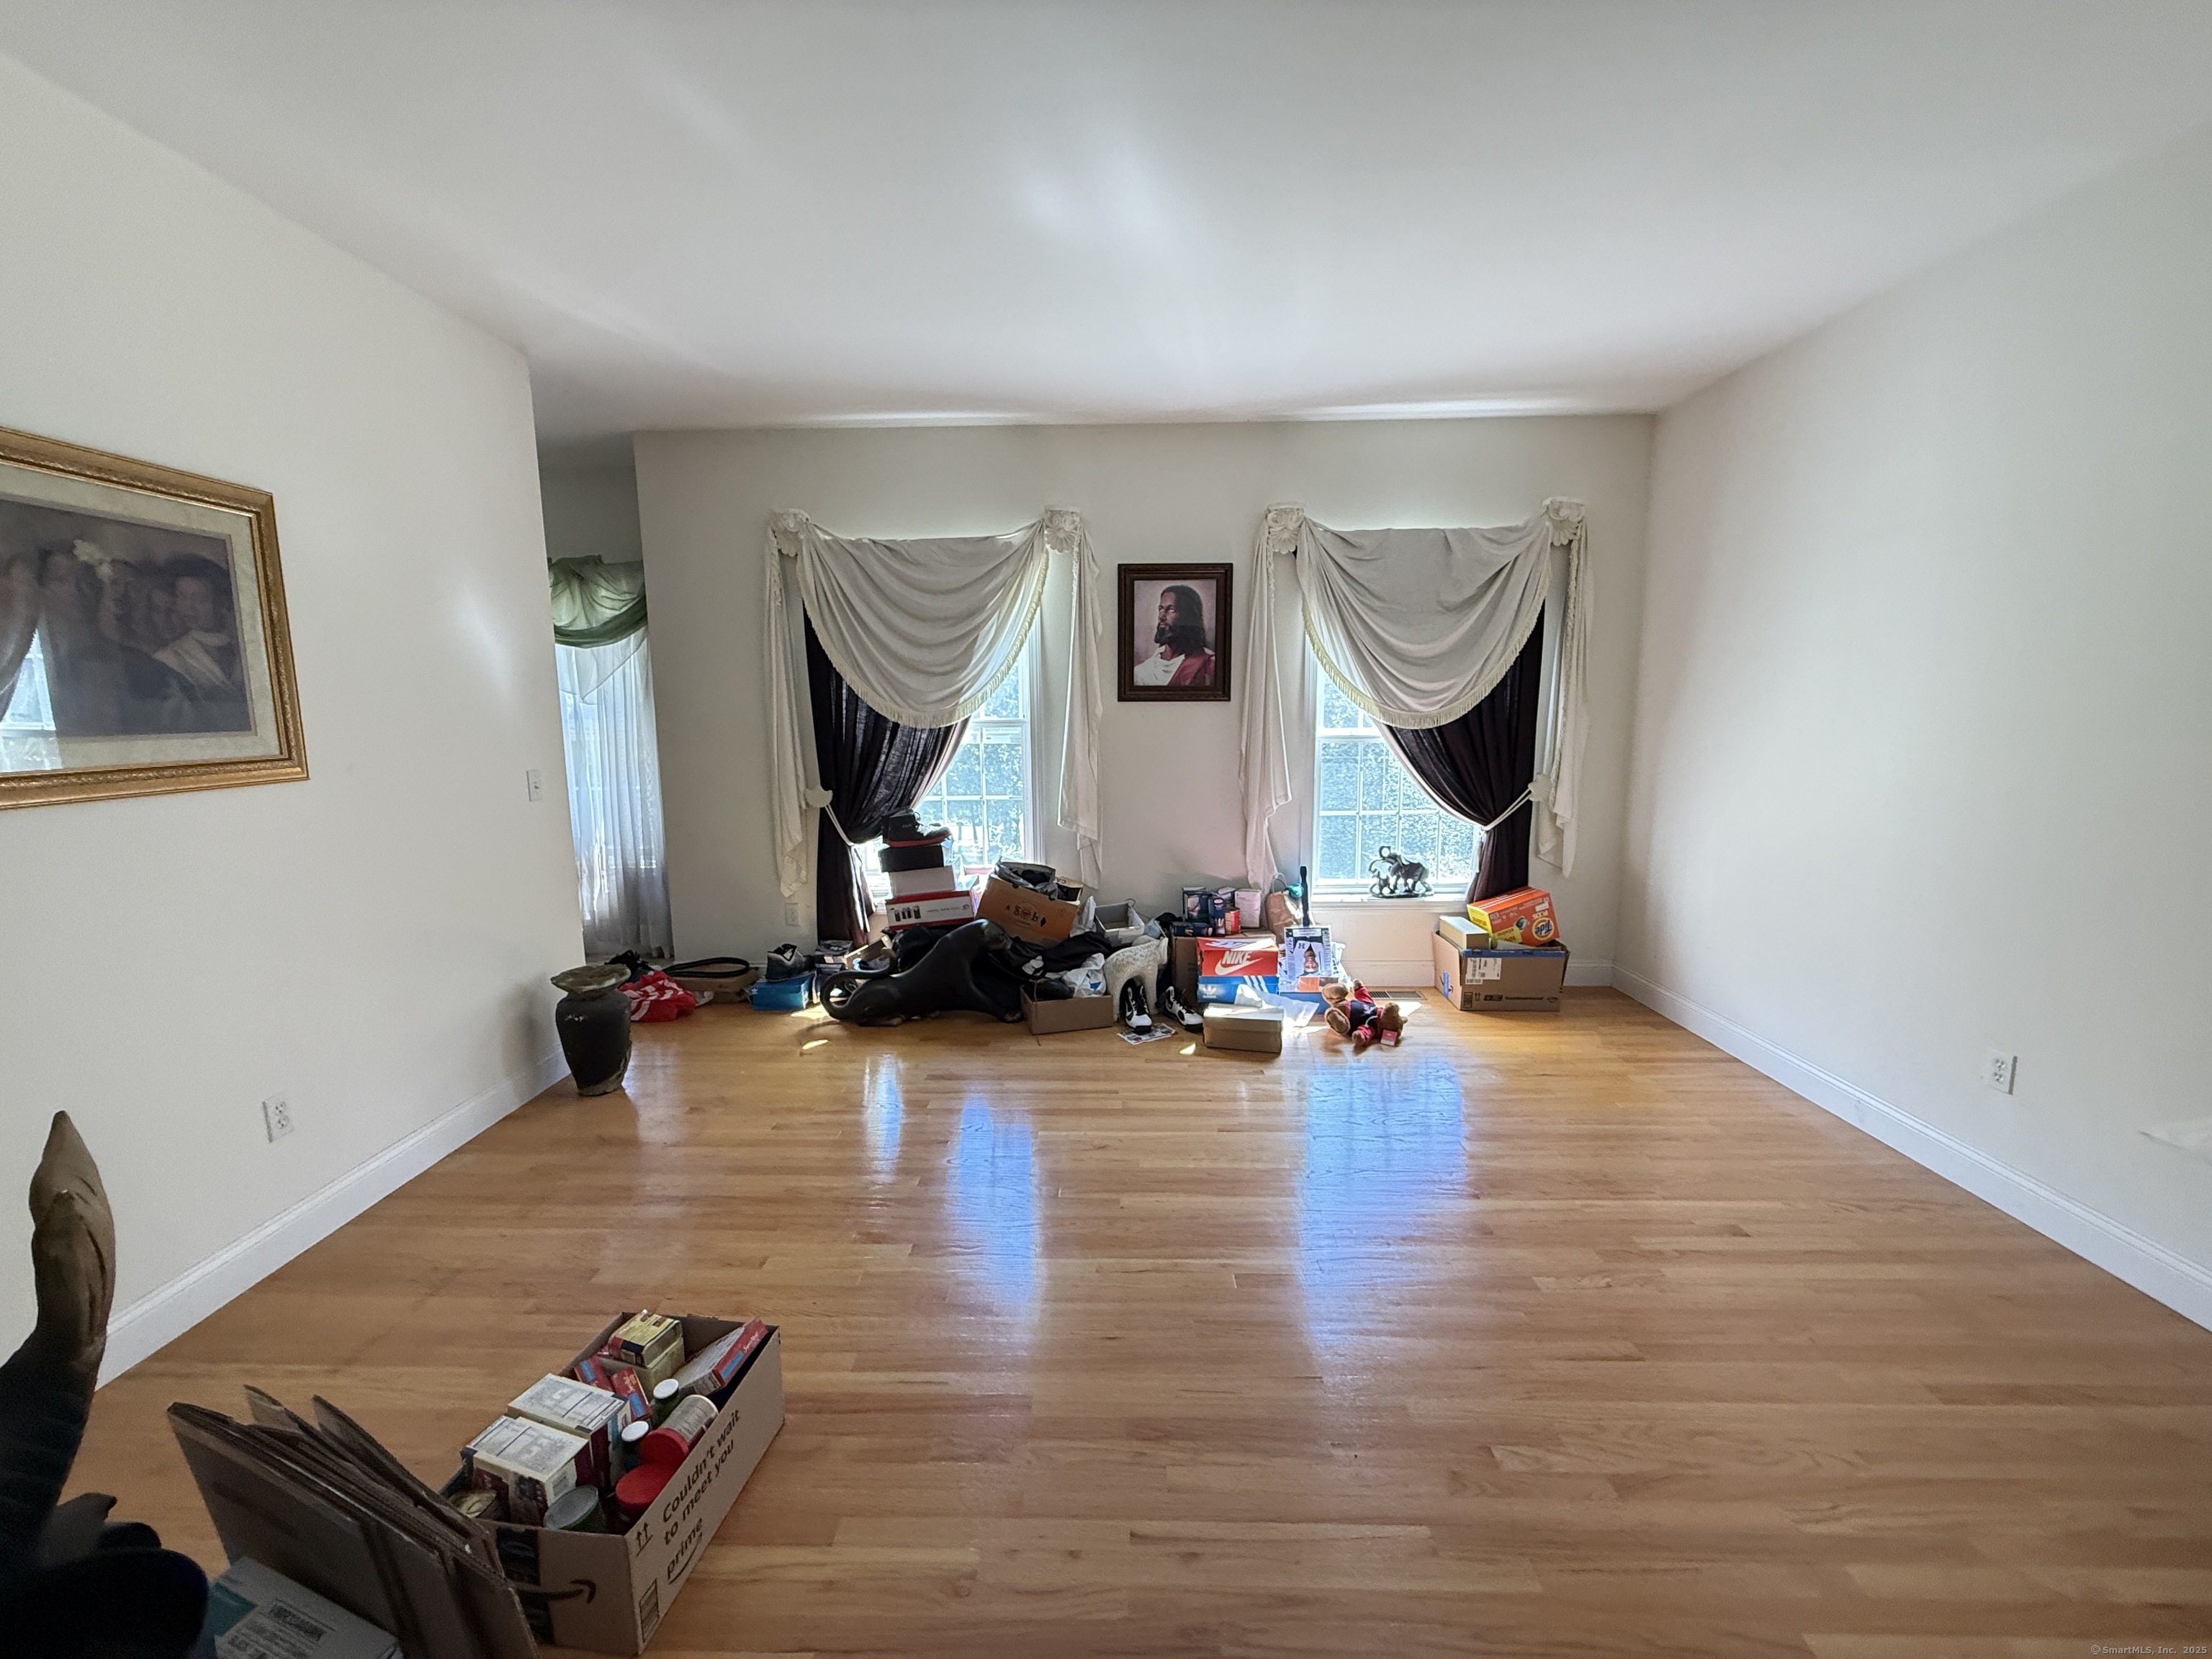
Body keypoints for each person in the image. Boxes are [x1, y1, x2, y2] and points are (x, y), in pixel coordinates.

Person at [1133, 583, 1215, 688]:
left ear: (1188, 618)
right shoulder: (1141, 672)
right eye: (1161, 609)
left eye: (1172, 610)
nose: (1162, 617)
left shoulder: (1208, 665)